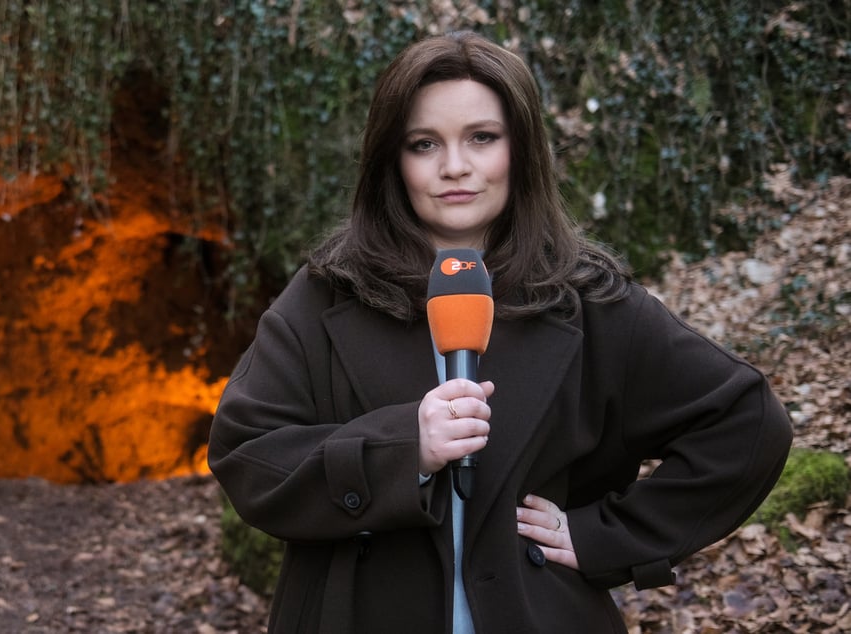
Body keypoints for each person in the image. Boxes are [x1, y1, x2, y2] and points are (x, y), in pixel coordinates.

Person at [208, 31, 793, 633]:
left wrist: (606, 537)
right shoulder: (326, 292)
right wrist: (402, 449)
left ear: (521, 149)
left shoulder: (589, 299)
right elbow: (247, 454)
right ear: (392, 158)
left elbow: (745, 422)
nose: (454, 166)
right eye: (423, 143)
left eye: (482, 138)